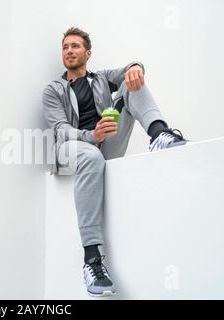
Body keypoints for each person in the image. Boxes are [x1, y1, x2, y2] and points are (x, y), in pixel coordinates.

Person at [42, 27, 189, 297]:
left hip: (102, 147)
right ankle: (92, 259)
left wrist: (136, 67)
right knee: (89, 154)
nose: (69, 51)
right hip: (69, 151)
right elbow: (60, 129)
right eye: (65, 47)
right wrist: (91, 135)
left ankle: (159, 134)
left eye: (75, 46)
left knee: (131, 83)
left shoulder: (100, 79)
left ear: (88, 53)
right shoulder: (54, 90)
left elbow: (129, 70)